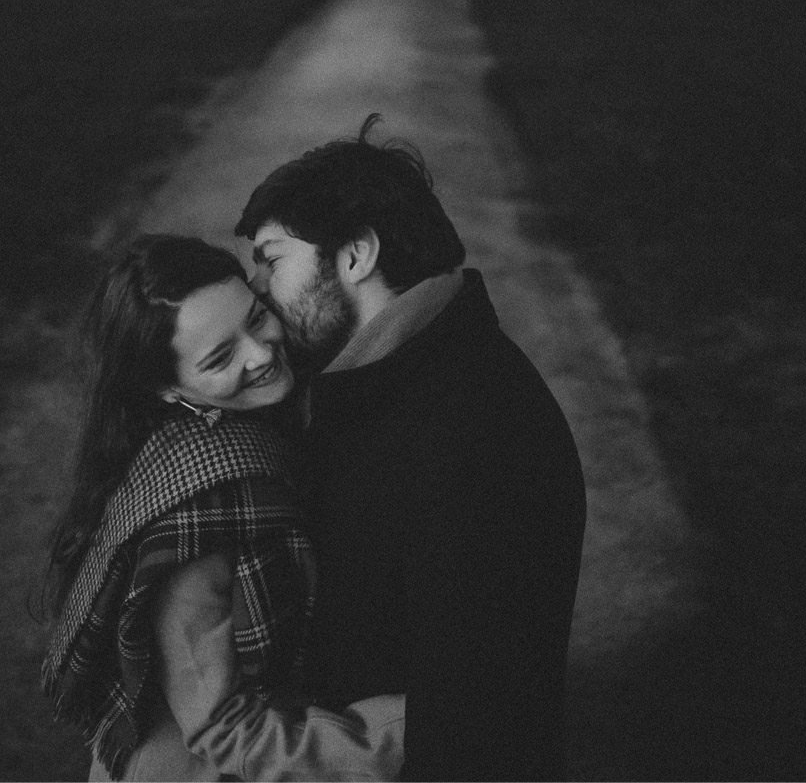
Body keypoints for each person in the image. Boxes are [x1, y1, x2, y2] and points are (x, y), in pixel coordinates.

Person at [233, 115, 588, 781]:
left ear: (356, 255)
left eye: (272, 261)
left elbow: (477, 723)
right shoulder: (386, 384)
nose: (257, 292)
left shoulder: (475, 437)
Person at [40, 234, 403, 781]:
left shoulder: (241, 427)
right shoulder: (198, 516)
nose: (260, 354)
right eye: (219, 357)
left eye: (257, 318)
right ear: (166, 389)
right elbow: (227, 731)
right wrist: (415, 727)